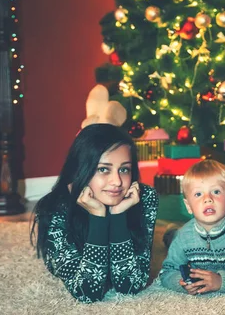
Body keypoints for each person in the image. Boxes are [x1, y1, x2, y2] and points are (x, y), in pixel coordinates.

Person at [30, 123, 158, 303]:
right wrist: (98, 217)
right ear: (81, 169)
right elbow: (87, 293)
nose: (117, 182)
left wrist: (119, 215)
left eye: (124, 169)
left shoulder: (143, 198)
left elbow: (130, 286)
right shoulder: (54, 208)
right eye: (103, 169)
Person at [159, 159, 225, 295]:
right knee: (172, 237)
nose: (207, 199)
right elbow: (166, 272)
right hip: (180, 234)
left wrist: (221, 281)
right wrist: (181, 282)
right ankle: (171, 230)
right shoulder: (183, 237)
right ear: (188, 206)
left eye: (216, 192)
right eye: (198, 194)